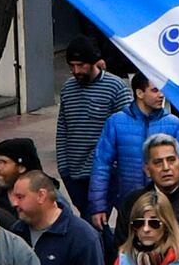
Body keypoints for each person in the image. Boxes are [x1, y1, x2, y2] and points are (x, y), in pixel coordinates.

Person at [85, 74, 179, 232]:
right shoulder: (116, 123)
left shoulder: (173, 123)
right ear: (139, 93)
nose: (161, 95)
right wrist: (98, 206)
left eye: (162, 90)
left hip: (168, 206)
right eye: (155, 90)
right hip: (129, 205)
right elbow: (101, 165)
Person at [55, 42, 135, 204]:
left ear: (93, 63)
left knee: (96, 221)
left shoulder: (115, 87)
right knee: (91, 221)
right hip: (74, 172)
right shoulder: (68, 89)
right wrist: (64, 168)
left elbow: (127, 130)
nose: (76, 71)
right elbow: (63, 129)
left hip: (105, 172)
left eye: (81, 65)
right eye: (72, 66)